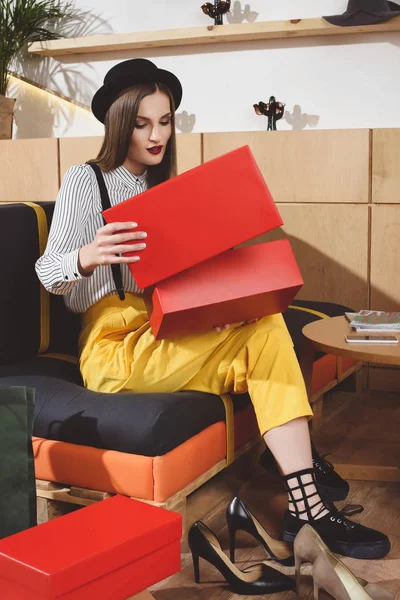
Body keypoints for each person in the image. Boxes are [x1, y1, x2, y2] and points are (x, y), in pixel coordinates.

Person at [35, 58, 389, 562]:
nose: (156, 135)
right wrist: (88, 255)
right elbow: (49, 274)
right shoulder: (85, 181)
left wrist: (213, 306)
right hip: (114, 350)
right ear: (119, 123)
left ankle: (303, 504)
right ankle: (306, 495)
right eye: (142, 124)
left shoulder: (162, 189)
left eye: (164, 121)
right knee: (264, 340)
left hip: (165, 331)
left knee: (264, 324)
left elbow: (178, 280)